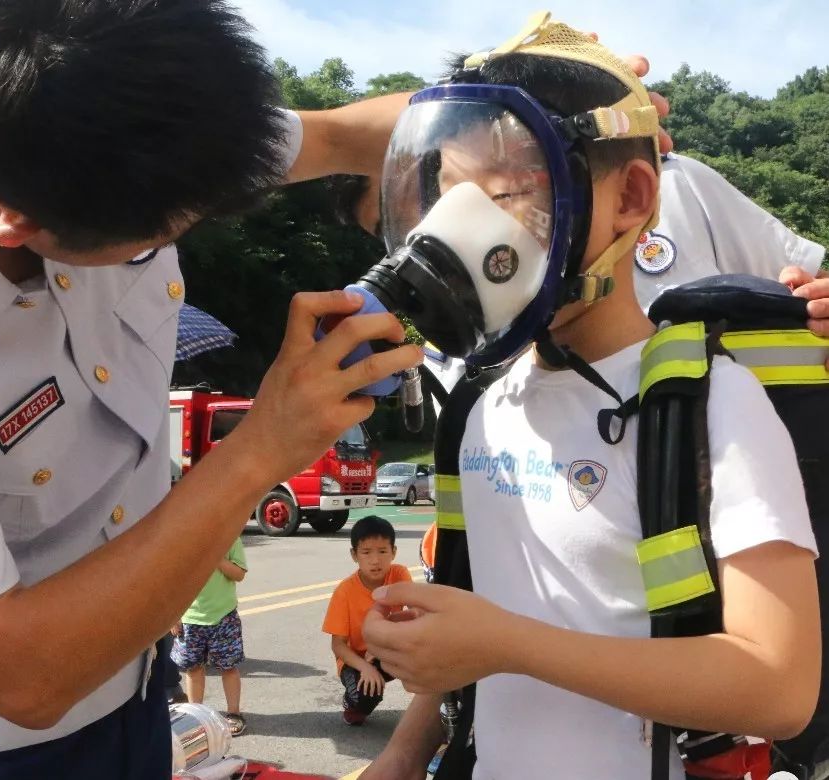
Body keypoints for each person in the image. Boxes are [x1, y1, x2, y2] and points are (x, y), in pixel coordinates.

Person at [0, 1, 423, 777]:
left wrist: (520, 126)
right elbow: (21, 676)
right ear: (19, 229)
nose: (185, 234)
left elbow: (348, 133)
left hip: (141, 678)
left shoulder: (122, 116)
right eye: (162, 237)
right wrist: (260, 448)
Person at [360, 17, 819, 779]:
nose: (463, 234)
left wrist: (506, 644)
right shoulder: (478, 404)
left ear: (630, 198)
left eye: (506, 194)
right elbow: (481, 616)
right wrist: (406, 752)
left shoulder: (709, 404)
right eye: (446, 201)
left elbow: (778, 688)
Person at [322, 515, 413, 726]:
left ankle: (437, 710)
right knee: (365, 697)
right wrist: (365, 667)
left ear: (394, 552)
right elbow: (338, 645)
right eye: (366, 552)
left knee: (431, 655)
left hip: (388, 650)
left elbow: (415, 612)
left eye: (382, 551)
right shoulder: (344, 592)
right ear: (354, 555)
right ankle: (352, 702)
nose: (375, 560)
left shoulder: (399, 574)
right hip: (355, 660)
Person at [171, 535, 248, 735]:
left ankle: (234, 713)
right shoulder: (184, 541)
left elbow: (239, 574)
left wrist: (217, 559)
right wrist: (174, 616)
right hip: (190, 618)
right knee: (193, 668)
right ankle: (196, 716)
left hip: (224, 616)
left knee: (228, 667)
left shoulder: (230, 537)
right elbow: (174, 580)